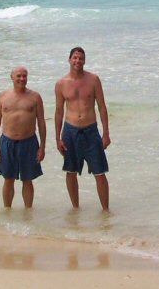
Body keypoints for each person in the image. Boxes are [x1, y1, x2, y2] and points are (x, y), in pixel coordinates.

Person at [54, 46, 111, 210]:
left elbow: (102, 107)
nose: (78, 61)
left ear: (84, 61)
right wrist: (57, 138)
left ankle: (105, 211)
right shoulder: (61, 84)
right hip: (70, 131)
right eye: (75, 58)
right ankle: (75, 208)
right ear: (69, 60)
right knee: (71, 171)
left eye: (81, 58)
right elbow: (58, 112)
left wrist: (106, 133)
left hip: (91, 130)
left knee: (100, 172)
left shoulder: (93, 80)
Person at [0, 66, 46, 208]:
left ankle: (28, 212)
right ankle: (7, 211)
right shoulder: (3, 97)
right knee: (8, 179)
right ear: (12, 77)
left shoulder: (35, 97)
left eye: (24, 76)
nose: (22, 79)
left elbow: (41, 122)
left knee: (28, 179)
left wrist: (42, 147)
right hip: (7, 142)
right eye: (19, 76)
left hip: (29, 142)